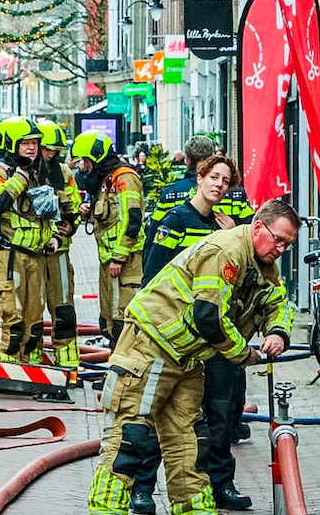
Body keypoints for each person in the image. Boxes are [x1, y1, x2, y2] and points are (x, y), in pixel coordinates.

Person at [87, 199, 299, 515]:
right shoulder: (225, 252)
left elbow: (278, 302)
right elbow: (208, 316)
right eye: (278, 239)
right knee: (129, 436)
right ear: (258, 227)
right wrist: (244, 354)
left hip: (185, 357)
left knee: (190, 442)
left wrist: (278, 332)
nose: (281, 248)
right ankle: (106, 509)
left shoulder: (262, 262)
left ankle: (194, 509)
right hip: (150, 346)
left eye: (288, 244)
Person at [128, 154, 238, 514]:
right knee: (165, 415)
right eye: (214, 177)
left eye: (225, 180)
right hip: (177, 340)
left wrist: (231, 234)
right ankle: (143, 490)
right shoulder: (176, 221)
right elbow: (152, 278)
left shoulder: (227, 226)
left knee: (221, 416)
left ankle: (222, 485)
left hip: (216, 334)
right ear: (200, 177)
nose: (219, 185)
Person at [0, 117, 59, 363]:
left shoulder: (37, 173)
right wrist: (19, 179)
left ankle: (31, 369)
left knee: (34, 320)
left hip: (35, 256)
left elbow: (44, 212)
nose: (32, 148)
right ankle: (6, 370)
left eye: (35, 143)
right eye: (25, 143)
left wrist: (52, 235)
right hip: (8, 258)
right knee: (9, 317)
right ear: (12, 144)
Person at [72, 130, 144, 343]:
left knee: (123, 318)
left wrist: (119, 258)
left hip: (125, 263)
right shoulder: (106, 180)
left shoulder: (124, 178)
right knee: (109, 319)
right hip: (108, 262)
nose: (83, 167)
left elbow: (131, 219)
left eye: (85, 161)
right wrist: (87, 209)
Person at [36, 120, 81, 368]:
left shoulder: (64, 173)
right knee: (30, 313)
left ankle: (67, 362)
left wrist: (71, 226)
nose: (49, 154)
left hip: (59, 253)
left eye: (53, 150)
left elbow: (72, 207)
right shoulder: (24, 173)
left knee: (63, 309)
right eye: (46, 149)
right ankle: (30, 363)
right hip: (31, 254)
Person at [143, 135, 218, 259]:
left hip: (178, 266)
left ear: (187, 161)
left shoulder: (171, 192)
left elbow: (154, 232)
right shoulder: (228, 192)